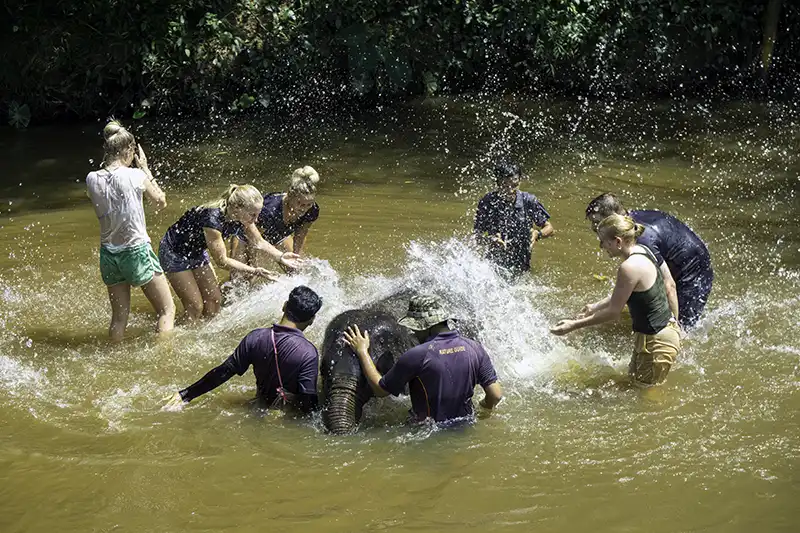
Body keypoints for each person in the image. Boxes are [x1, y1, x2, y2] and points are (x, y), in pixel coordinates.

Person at [551, 214, 681, 387]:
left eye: (604, 241)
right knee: (635, 386)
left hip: (656, 341)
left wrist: (573, 325)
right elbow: (624, 294)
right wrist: (594, 306)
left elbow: (613, 312)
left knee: (647, 396)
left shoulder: (629, 267)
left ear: (618, 242)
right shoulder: (643, 250)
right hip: (661, 334)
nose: (601, 246)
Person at [343, 294, 503, 424]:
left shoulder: (418, 355)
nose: (413, 332)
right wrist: (483, 406)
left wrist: (362, 351)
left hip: (426, 430)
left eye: (415, 327)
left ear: (425, 326)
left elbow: (380, 390)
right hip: (466, 424)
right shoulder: (475, 348)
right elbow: (495, 395)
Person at [164, 285, 323, 412]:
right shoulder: (308, 353)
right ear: (311, 320)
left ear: (284, 306)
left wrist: (186, 394)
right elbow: (308, 403)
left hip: (257, 406)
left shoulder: (255, 338)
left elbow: (223, 372)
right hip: (286, 417)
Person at [86, 120, 175, 342]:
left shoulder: (91, 179)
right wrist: (144, 167)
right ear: (129, 150)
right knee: (167, 310)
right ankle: (166, 361)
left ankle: (115, 359)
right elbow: (161, 201)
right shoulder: (136, 175)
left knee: (118, 319)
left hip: (108, 255)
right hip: (135, 252)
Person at [158, 184, 304, 318]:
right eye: (253, 215)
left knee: (214, 301)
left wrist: (280, 256)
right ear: (237, 208)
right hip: (174, 252)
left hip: (196, 251)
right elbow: (222, 261)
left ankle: (201, 333)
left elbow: (258, 241)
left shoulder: (243, 217)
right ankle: (182, 339)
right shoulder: (212, 220)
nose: (257, 219)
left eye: (258, 214)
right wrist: (255, 270)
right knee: (195, 307)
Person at [585, 193, 713, 329]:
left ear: (613, 219)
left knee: (681, 329)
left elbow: (669, 285)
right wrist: (596, 307)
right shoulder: (629, 225)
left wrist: (674, 330)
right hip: (681, 258)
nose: (597, 231)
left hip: (694, 272)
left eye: (597, 224)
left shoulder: (641, 240)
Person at [231, 166, 320, 275]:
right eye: (299, 203)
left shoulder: (312, 210)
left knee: (296, 271)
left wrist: (297, 258)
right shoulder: (269, 209)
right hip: (246, 235)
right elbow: (254, 239)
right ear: (289, 195)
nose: (304, 208)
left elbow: (301, 235)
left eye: (308, 204)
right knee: (242, 278)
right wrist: (254, 265)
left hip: (278, 236)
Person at [474, 160, 554, 277]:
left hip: (522, 263)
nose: (510, 189)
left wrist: (537, 234)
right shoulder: (488, 202)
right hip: (493, 266)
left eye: (514, 185)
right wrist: (491, 240)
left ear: (520, 180)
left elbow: (550, 228)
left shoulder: (528, 201)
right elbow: (478, 237)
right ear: (497, 182)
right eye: (505, 185)